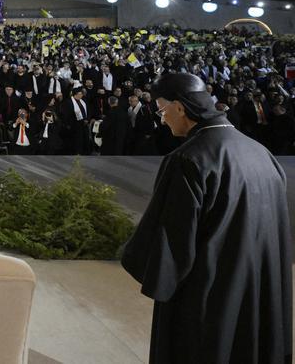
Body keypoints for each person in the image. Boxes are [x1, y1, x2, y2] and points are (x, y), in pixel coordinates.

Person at [121, 73, 292, 364]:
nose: (162, 120)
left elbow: (170, 243)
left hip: (208, 302)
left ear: (180, 106)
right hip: (260, 297)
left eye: (162, 110)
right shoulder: (261, 153)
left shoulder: (189, 159)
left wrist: (137, 257)